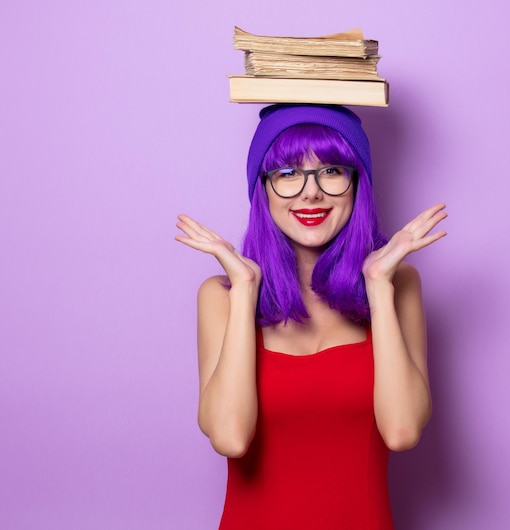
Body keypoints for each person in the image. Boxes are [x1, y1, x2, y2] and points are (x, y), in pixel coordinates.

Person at [175, 104, 447, 529]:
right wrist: (246, 290)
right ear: (262, 189)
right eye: (287, 174)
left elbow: (402, 430)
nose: (310, 193)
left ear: (358, 183)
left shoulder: (398, 285)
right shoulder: (222, 297)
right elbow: (229, 436)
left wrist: (377, 284)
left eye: (332, 170)